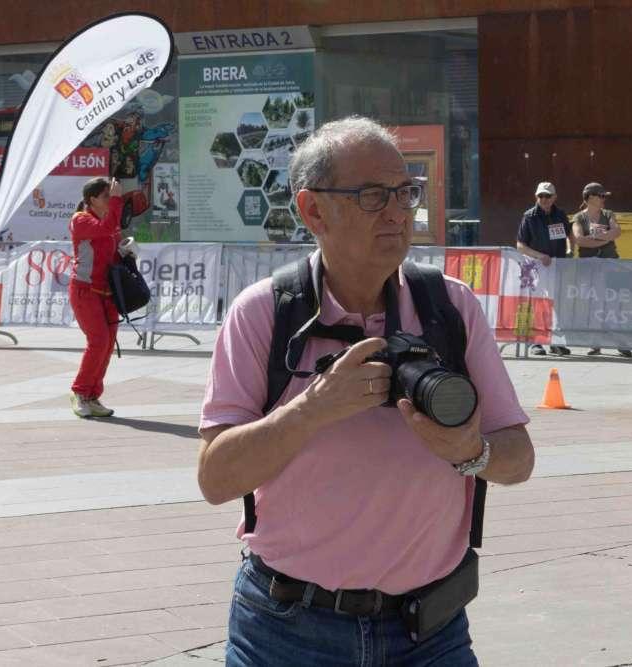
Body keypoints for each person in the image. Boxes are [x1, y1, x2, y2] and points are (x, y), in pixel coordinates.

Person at [198, 116, 534, 666]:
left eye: (406, 192)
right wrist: (312, 409)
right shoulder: (264, 313)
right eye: (374, 195)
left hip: (431, 631)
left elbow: (518, 459)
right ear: (313, 210)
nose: (399, 212)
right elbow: (215, 478)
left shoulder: (449, 307)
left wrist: (472, 452)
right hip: (287, 630)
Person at [68, 176, 125, 418]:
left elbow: (112, 248)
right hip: (85, 290)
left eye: (110, 196)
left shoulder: (107, 220)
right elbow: (105, 230)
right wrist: (118, 201)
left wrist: (125, 251)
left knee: (107, 344)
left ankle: (92, 396)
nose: (109, 200)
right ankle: (79, 392)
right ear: (92, 200)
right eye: (105, 196)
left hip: (106, 292)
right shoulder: (81, 219)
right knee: (98, 341)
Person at [570, 182, 632, 358]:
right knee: (593, 304)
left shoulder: (608, 214)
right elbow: (579, 239)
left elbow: (617, 231)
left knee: (614, 304)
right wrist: (605, 238)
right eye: (601, 196)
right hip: (588, 268)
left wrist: (596, 239)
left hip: (611, 265)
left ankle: (620, 343)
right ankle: (594, 343)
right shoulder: (579, 218)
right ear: (590, 198)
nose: (604, 199)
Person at [515, 181, 572, 356]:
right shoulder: (529, 216)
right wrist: (540, 256)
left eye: (548, 196)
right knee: (538, 303)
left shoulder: (560, 215)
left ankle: (556, 342)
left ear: (554, 197)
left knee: (557, 304)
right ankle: (536, 343)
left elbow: (570, 235)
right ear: (536, 197)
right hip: (536, 267)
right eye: (541, 196)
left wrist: (570, 249)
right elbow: (520, 245)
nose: (544, 199)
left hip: (558, 265)